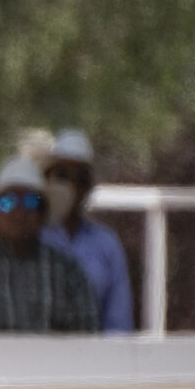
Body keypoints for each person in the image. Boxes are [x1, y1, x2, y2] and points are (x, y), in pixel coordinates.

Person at [0, 156, 100, 333]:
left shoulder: (66, 270)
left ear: (43, 214)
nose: (19, 213)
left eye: (31, 202)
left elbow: (87, 334)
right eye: (7, 203)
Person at [39, 129, 134, 333]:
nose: (72, 185)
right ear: (46, 179)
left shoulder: (106, 244)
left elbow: (119, 323)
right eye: (63, 175)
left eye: (81, 178)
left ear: (88, 186)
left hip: (93, 357)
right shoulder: (31, 237)